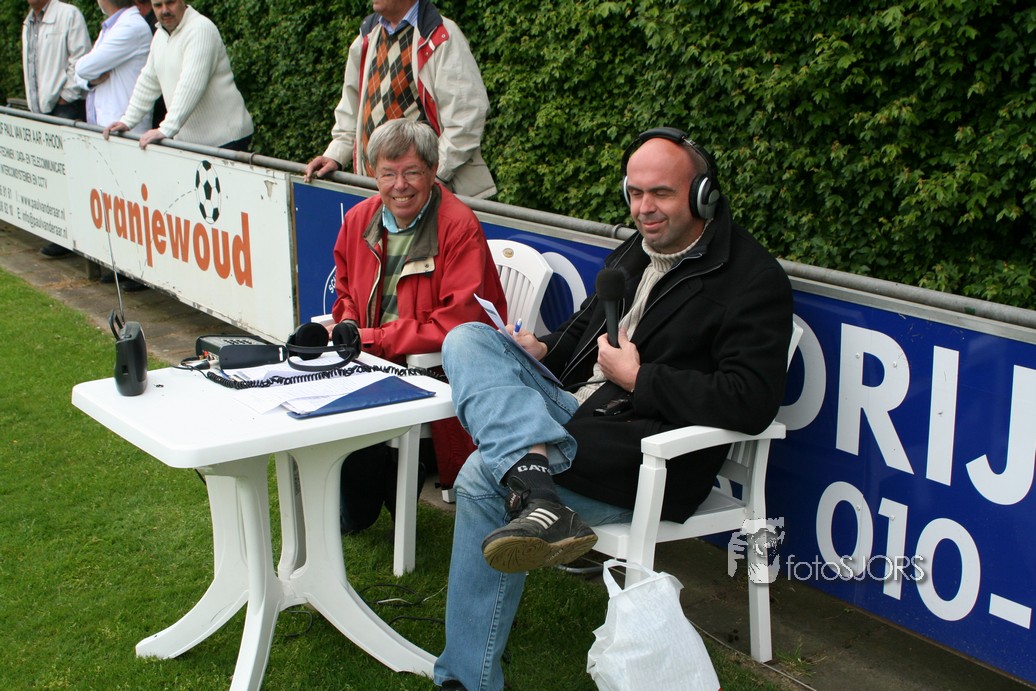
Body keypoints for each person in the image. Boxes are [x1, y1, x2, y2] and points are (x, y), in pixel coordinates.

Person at [432, 127, 794, 690]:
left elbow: (751, 401)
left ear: (703, 195)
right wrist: (544, 348)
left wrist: (641, 379)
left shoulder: (752, 280)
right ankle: (538, 488)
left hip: (645, 454)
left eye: (661, 194)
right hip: (581, 416)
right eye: (635, 193)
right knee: (467, 340)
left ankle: (466, 679)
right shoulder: (637, 248)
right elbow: (586, 327)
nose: (644, 208)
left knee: (483, 473)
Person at [331, 118, 506, 533]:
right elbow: (345, 290)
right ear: (373, 174)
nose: (400, 186)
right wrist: (350, 324)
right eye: (387, 174)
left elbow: (457, 325)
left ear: (432, 170)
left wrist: (372, 339)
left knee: (358, 436)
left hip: (436, 368)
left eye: (411, 172)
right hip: (372, 356)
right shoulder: (358, 219)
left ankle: (390, 480)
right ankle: (368, 490)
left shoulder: (458, 226)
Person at [303, 0, 495, 199]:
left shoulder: (441, 35)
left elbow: (466, 119)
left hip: (426, 197)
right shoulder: (367, 35)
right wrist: (334, 156)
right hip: (377, 192)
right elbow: (351, 110)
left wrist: (433, 176)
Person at [102, 0, 253, 151]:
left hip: (227, 139)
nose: (165, 10)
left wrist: (166, 129)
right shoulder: (160, 36)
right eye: (158, 5)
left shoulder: (200, 29)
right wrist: (127, 121)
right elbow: (148, 81)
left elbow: (191, 85)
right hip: (193, 144)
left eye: (170, 2)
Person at [22, 0, 90, 259]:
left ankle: (77, 240)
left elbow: (80, 58)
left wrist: (66, 96)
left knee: (70, 177)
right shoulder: (29, 21)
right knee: (51, 179)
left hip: (64, 109)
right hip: (41, 110)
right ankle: (59, 236)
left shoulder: (68, 14)